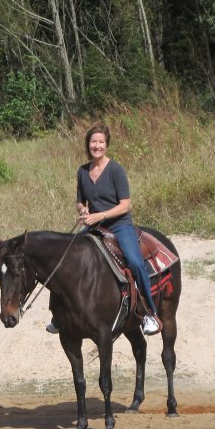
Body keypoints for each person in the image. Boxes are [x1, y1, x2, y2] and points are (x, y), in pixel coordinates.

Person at [47, 124, 161, 336]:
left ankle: (149, 313)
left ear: (106, 145)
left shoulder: (116, 170)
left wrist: (101, 215)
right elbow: (80, 201)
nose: (96, 146)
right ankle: (58, 315)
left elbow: (125, 204)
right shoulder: (82, 171)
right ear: (88, 144)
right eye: (93, 142)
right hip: (93, 226)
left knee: (135, 262)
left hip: (119, 225)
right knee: (65, 258)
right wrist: (83, 211)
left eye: (100, 142)